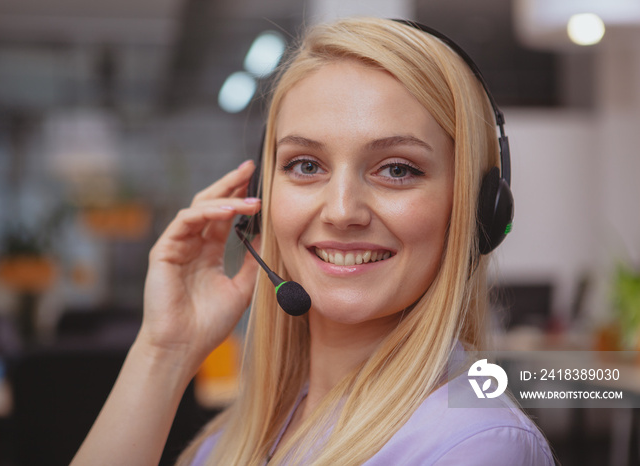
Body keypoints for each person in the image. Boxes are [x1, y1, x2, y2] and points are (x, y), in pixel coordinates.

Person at [72, 17, 554, 465]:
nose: (342, 211)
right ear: (262, 197)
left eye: (397, 169)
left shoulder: (475, 444)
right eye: (306, 165)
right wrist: (166, 351)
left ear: (477, 209)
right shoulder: (246, 433)